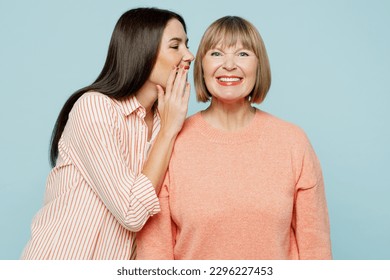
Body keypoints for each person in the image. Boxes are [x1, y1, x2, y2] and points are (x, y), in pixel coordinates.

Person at [136, 16, 332, 260]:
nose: (229, 65)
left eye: (243, 54)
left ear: (259, 65)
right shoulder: (171, 143)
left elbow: (316, 249)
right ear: (201, 67)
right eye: (216, 54)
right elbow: (155, 251)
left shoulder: (293, 142)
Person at [21, 7, 194, 260]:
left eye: (187, 44)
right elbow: (132, 213)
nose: (189, 55)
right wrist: (169, 131)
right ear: (142, 51)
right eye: (175, 46)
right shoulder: (95, 107)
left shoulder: (165, 121)